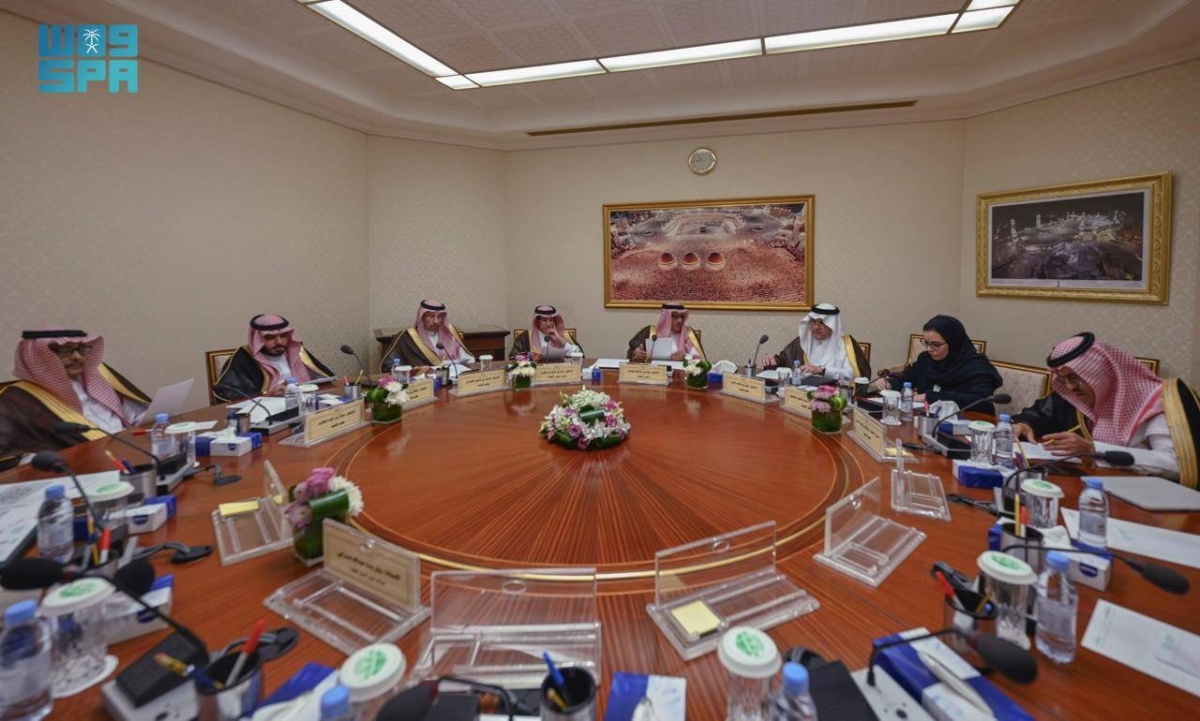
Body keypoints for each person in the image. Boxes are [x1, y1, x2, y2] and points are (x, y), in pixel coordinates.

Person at [1011, 333, 1198, 485]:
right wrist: (1026, 424)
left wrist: (1094, 449)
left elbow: (1176, 464)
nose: (1069, 387)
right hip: (1094, 484)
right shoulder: (1076, 395)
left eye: (1075, 377)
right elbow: (1040, 413)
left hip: (1153, 495)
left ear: (1099, 373)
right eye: (1063, 379)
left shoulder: (1154, 400)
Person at [0, 328, 150, 468]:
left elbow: (135, 414)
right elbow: (10, 457)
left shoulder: (98, 375)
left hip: (132, 452)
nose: (77, 357)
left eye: (81, 349)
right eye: (65, 351)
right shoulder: (16, 399)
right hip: (82, 468)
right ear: (38, 357)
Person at [871, 315, 1002, 414]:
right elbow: (906, 380)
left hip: (968, 425)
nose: (929, 349)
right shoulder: (926, 360)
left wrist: (930, 397)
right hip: (927, 421)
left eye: (936, 344)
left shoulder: (978, 368)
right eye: (926, 343)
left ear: (954, 342)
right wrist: (889, 383)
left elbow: (981, 402)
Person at [212, 315, 333, 403]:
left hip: (303, 404)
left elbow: (323, 378)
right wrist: (266, 394)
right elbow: (228, 394)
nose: (279, 342)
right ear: (258, 339)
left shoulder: (297, 351)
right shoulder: (244, 357)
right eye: (270, 337)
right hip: (265, 410)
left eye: (283, 336)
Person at [762, 303, 870, 381]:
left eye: (821, 323)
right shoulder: (803, 341)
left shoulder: (846, 345)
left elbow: (854, 374)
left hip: (836, 396)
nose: (816, 327)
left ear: (832, 325)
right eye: (813, 322)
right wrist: (772, 360)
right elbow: (783, 360)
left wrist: (821, 370)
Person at [380, 299, 474, 370]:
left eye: (439, 317)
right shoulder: (407, 337)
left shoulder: (450, 334)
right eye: (431, 316)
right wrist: (411, 370)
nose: (436, 321)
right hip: (421, 383)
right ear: (422, 317)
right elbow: (388, 365)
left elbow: (467, 358)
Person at [626, 303, 706, 362]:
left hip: (679, 376)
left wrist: (685, 357)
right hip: (653, 375)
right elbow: (631, 353)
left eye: (682, 317)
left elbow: (700, 361)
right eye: (675, 316)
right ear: (665, 318)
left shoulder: (688, 334)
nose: (680, 321)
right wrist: (635, 354)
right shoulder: (649, 332)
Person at [509, 305, 583, 361]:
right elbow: (514, 357)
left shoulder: (564, 335)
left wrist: (560, 340)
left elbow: (579, 355)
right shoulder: (526, 337)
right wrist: (535, 356)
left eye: (551, 320)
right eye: (544, 320)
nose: (548, 324)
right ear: (537, 322)